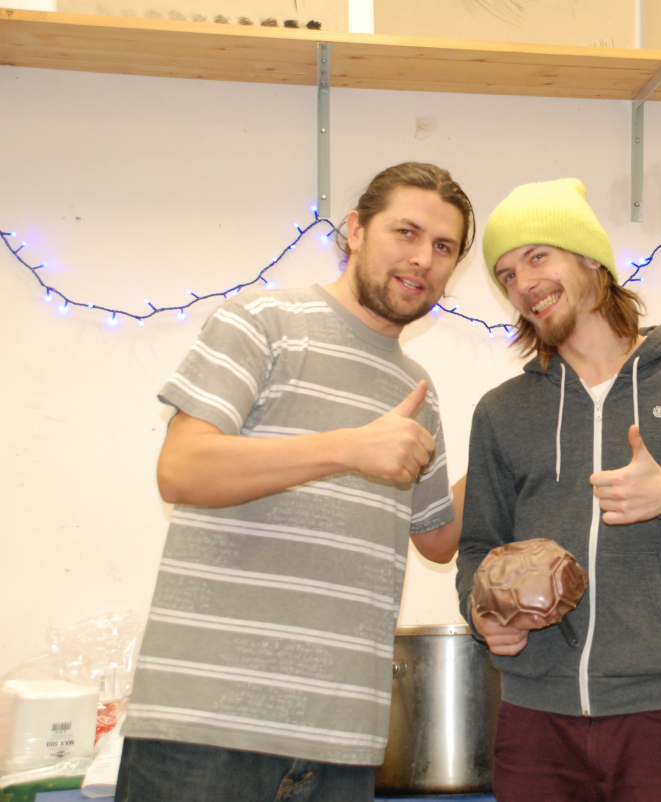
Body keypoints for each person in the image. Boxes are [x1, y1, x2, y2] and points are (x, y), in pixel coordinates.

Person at [116, 162, 474, 802]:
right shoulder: (262, 321)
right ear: (356, 230)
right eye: (406, 232)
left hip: (342, 746)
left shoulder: (417, 391)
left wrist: (515, 439)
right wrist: (347, 448)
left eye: (444, 246)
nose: (423, 258)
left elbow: (438, 540)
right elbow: (182, 468)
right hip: (205, 730)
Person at [455, 178, 661, 802]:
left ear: (592, 260)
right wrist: (482, 615)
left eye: (538, 256)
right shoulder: (502, 411)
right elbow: (477, 549)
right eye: (507, 274)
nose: (523, 283)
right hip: (534, 720)